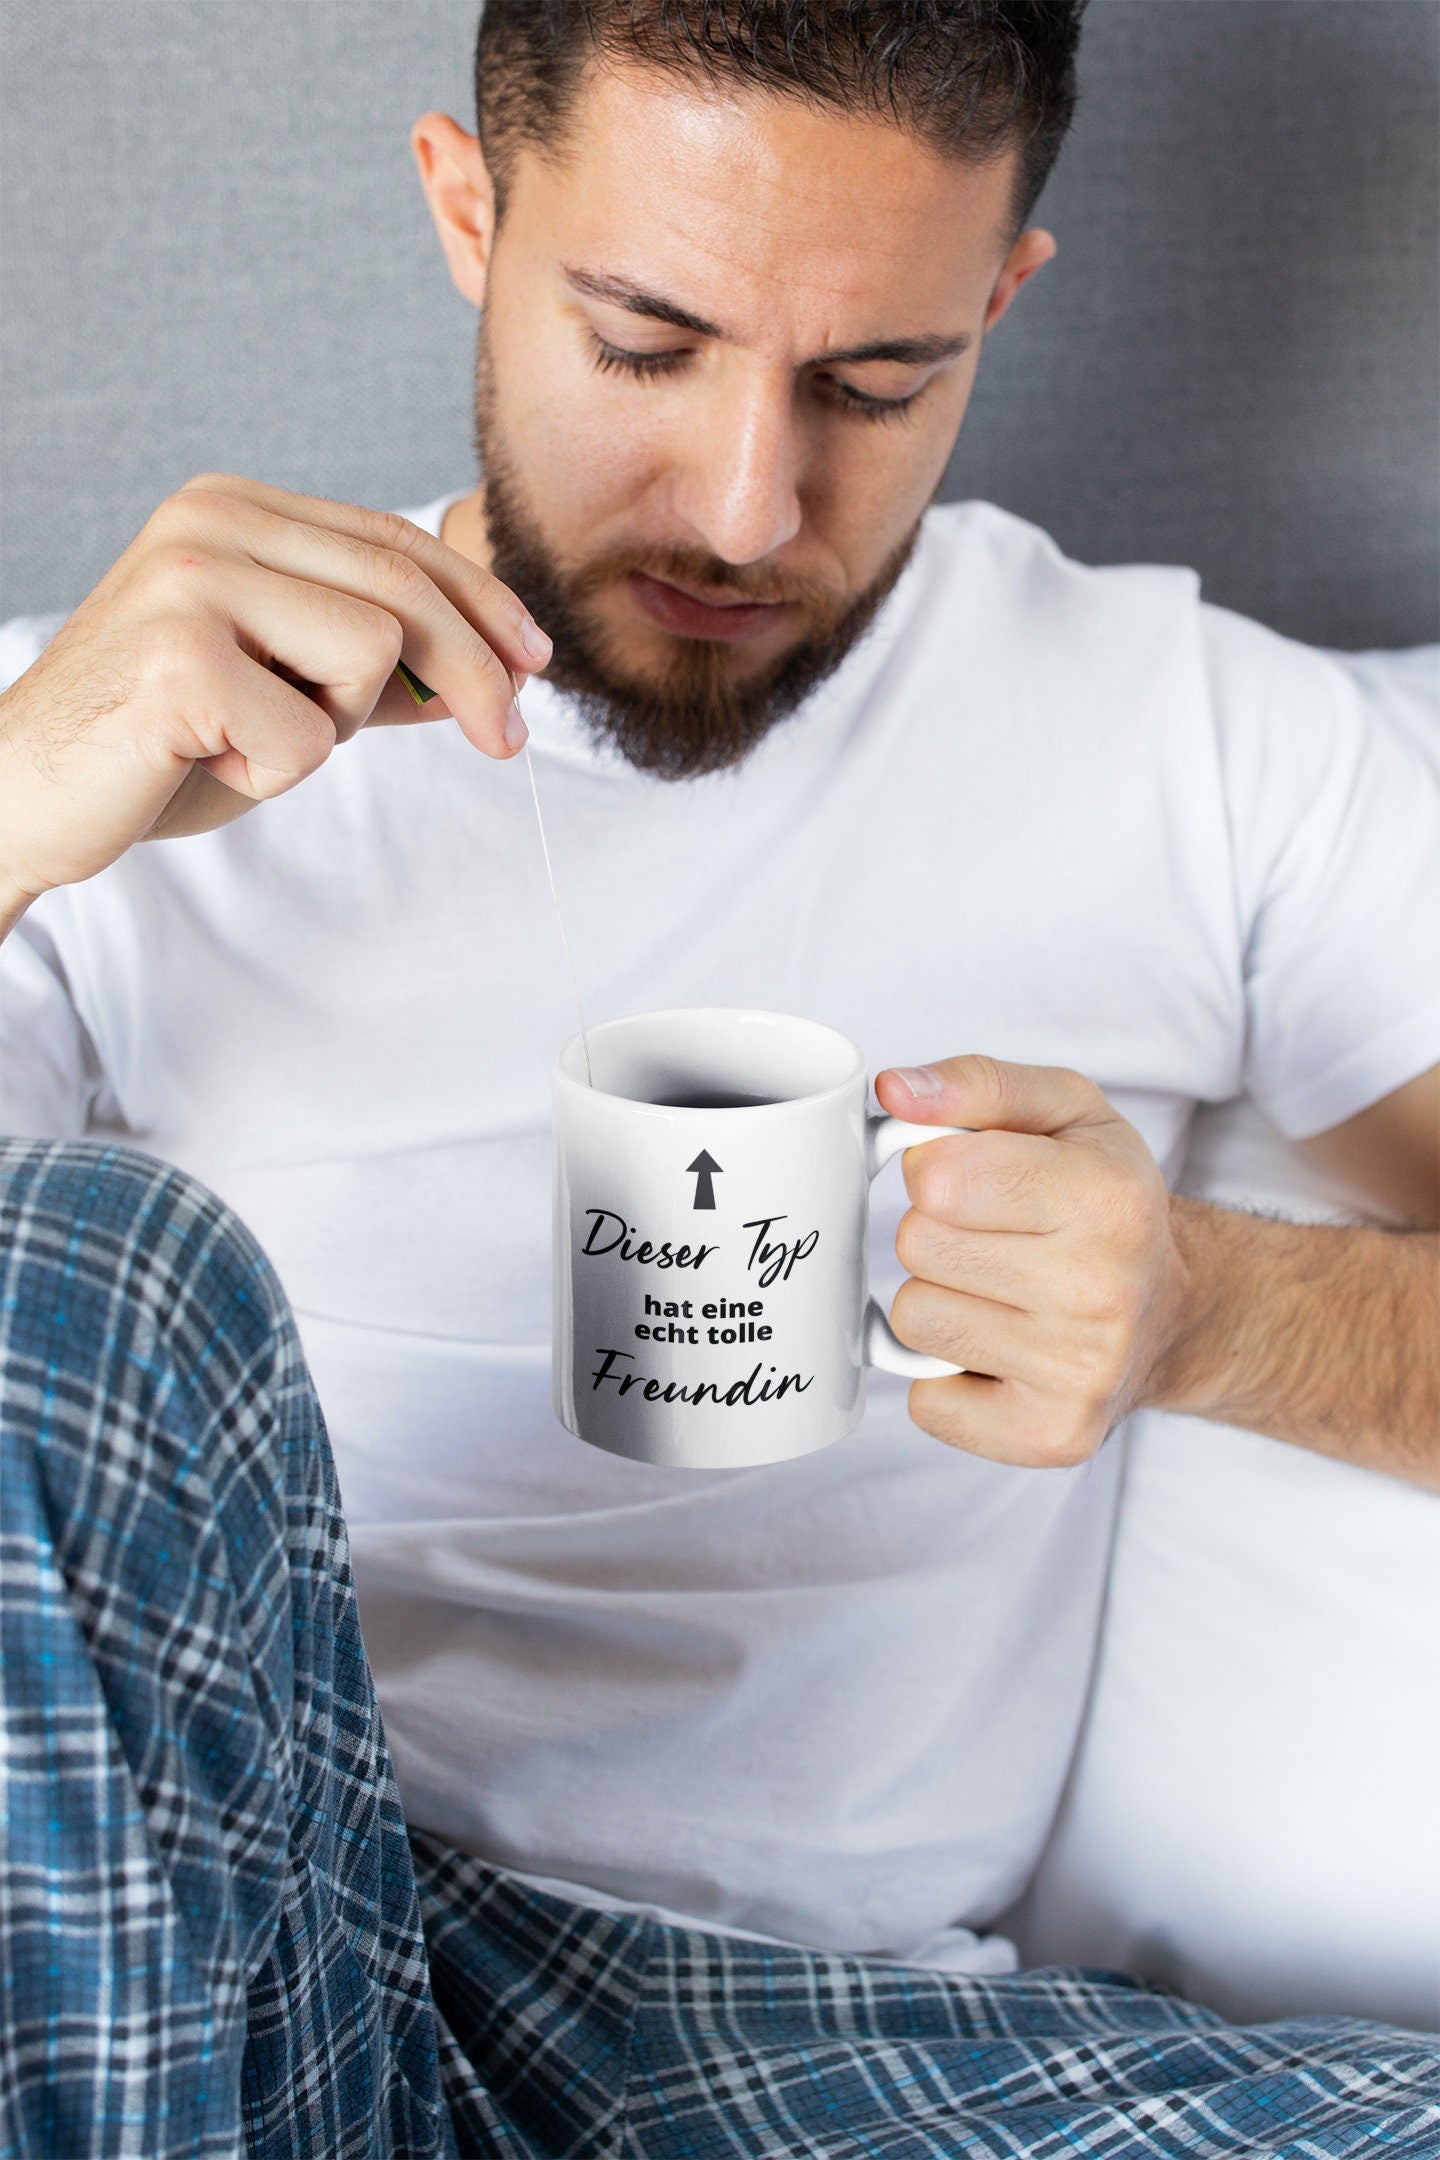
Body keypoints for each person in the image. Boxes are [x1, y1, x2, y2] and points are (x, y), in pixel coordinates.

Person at [1, 2, 1436, 2153]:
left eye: (878, 381)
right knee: (71, 1271)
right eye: (649, 343)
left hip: (826, 2048)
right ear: (469, 212)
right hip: (227, 1931)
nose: (754, 504)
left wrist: (1210, 1309)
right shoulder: (131, 741)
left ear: (1000, 293)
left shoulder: (1196, 743)